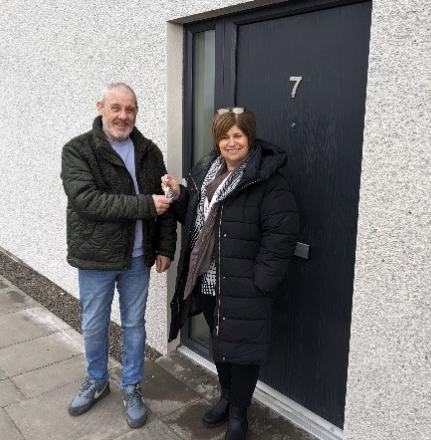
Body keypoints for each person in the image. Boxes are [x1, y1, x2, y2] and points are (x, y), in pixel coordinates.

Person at [163, 107, 299, 439]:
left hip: (243, 286)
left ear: (250, 138)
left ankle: (239, 412)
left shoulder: (267, 180)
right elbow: (197, 221)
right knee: (221, 342)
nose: (230, 142)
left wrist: (260, 283)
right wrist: (181, 198)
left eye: (237, 135)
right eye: (224, 135)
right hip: (207, 281)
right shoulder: (208, 173)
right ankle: (226, 397)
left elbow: (281, 234)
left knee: (245, 352)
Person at [61, 83, 176, 428]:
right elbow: (87, 200)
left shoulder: (149, 151)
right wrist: (145, 205)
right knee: (94, 325)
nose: (123, 116)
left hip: (137, 260)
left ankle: (131, 387)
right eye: (116, 108)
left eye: (130, 109)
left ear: (136, 112)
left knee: (133, 326)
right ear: (101, 107)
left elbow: (165, 203)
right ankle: (97, 381)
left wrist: (166, 247)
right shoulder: (79, 150)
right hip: (95, 260)